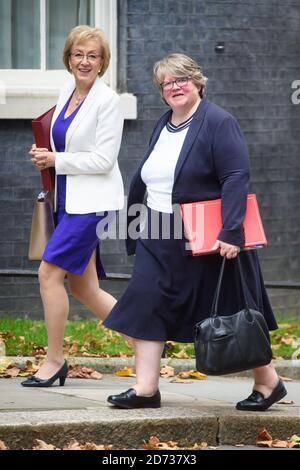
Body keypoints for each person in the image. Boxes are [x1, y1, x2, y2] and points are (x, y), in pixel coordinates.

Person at [103, 53, 287, 411]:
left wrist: (232, 231)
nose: (174, 87)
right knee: (145, 301)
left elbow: (235, 176)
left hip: (206, 235)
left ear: (198, 82)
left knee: (230, 311)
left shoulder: (218, 122)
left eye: (181, 80)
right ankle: (145, 389)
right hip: (158, 231)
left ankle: (269, 382)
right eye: (167, 83)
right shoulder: (164, 123)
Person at [22, 25, 126, 387]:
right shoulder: (67, 91)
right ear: (69, 58)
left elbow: (103, 160)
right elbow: (61, 143)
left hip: (93, 205)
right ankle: (145, 348)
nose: (85, 61)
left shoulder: (108, 101)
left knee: (48, 274)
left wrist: (56, 160)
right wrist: (45, 156)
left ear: (102, 62)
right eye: (78, 54)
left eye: (92, 55)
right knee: (85, 289)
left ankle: (54, 362)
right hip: (66, 199)